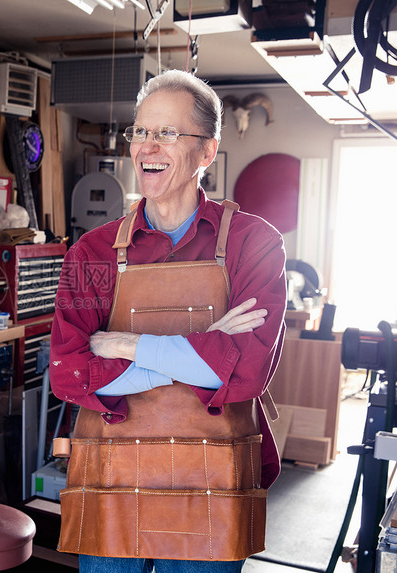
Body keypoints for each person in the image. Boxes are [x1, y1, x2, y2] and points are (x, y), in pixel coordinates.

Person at [49, 69, 287, 573]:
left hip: (213, 480)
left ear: (207, 151)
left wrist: (126, 346)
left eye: (167, 132)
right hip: (110, 477)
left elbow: (245, 374)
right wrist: (206, 347)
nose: (147, 146)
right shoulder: (91, 253)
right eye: (140, 131)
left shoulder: (254, 243)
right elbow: (69, 372)